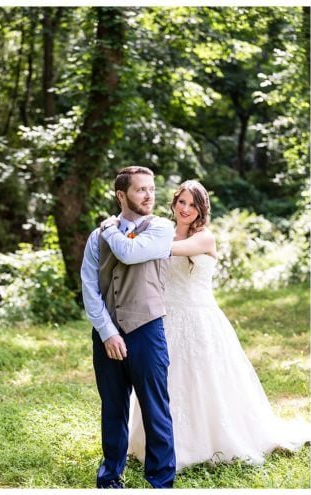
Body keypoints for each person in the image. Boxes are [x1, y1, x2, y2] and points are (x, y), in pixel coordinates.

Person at [127, 180, 309, 470]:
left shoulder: (203, 239)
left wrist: (133, 235)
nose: (186, 209)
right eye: (182, 202)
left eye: (192, 204)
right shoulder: (161, 232)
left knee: (204, 378)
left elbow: (161, 250)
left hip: (200, 318)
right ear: (174, 203)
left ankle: (209, 442)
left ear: (201, 209)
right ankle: (157, 441)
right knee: (165, 379)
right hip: (165, 319)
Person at [80, 166, 176, 488]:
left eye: (152, 189)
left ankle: (161, 482)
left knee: (155, 409)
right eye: (140, 190)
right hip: (106, 335)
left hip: (147, 331)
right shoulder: (96, 237)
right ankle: (109, 479)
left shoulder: (162, 228)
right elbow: (89, 287)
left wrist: (109, 230)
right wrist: (107, 332)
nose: (149, 195)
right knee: (113, 409)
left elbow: (130, 253)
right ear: (121, 195)